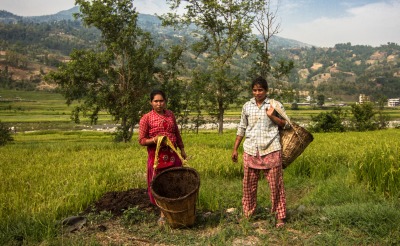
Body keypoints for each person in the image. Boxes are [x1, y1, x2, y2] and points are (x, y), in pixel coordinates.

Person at [231, 76, 290, 228]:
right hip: (251, 150)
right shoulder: (247, 106)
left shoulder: (274, 105)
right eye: (255, 90)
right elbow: (242, 127)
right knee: (248, 185)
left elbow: (287, 125)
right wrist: (235, 148)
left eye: (260, 90)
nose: (257, 93)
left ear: (266, 90)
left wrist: (272, 116)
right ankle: (248, 213)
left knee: (276, 184)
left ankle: (280, 216)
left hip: (271, 149)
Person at [139, 89, 187, 225]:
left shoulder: (170, 115)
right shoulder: (146, 118)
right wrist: (155, 140)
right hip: (157, 157)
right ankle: (163, 214)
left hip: (173, 155)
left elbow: (176, 133)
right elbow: (142, 140)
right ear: (151, 102)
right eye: (156, 101)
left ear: (165, 102)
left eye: (161, 101)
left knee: (176, 183)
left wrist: (182, 149)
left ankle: (177, 212)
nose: (159, 104)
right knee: (161, 185)